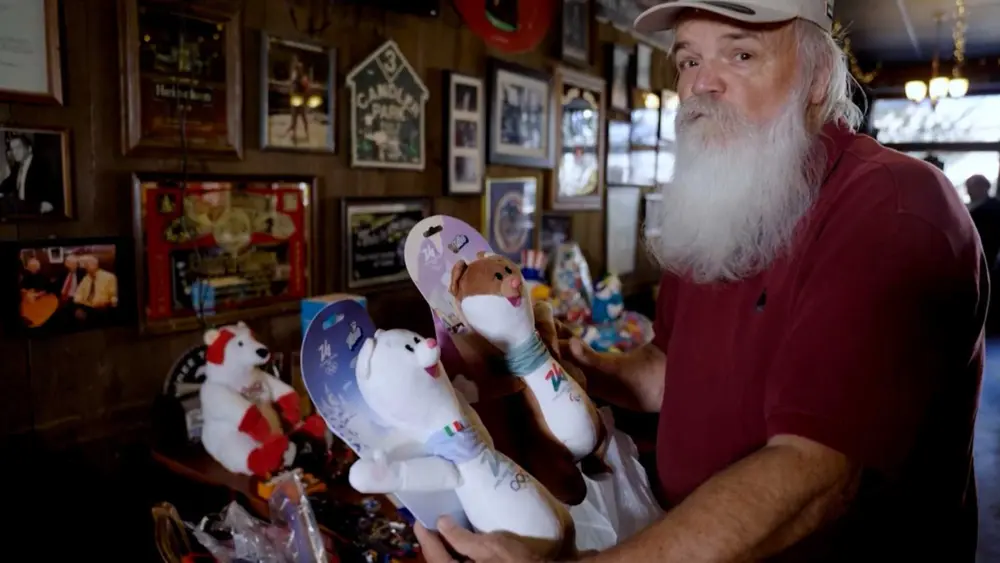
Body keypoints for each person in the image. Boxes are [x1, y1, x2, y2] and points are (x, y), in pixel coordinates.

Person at [415, 1, 986, 562]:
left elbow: (816, 475)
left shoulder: (893, 207)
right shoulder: (726, 197)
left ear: (816, 79)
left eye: (740, 54)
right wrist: (572, 360)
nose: (702, 85)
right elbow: (672, 370)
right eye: (688, 61)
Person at [0, 134, 57, 215]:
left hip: (38, 214)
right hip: (21, 211)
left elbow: (51, 194)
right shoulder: (17, 166)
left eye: (18, 148)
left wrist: (41, 206)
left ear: (29, 148)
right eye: (12, 149)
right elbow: (8, 183)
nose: (14, 152)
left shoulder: (42, 165)